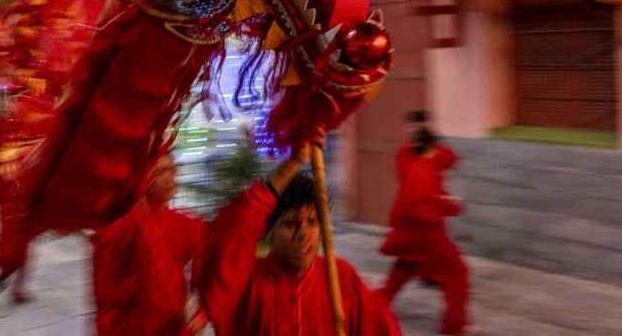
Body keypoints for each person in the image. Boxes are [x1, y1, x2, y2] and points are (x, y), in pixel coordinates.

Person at [196, 139, 401, 336]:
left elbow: (384, 326)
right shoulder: (249, 283)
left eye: (312, 222)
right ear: (269, 231)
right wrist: (293, 164)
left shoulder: (341, 279)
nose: (303, 234)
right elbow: (228, 241)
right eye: (290, 224)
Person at [91, 153, 207, 336]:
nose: (171, 177)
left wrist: (201, 315)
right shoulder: (120, 228)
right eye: (161, 171)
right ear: (142, 178)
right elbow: (105, 295)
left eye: (172, 169)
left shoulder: (185, 224)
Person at [380, 110, 469, 336]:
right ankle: (453, 327)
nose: (414, 130)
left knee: (401, 272)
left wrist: (437, 144)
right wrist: (448, 204)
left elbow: (450, 159)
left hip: (416, 231)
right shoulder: (411, 161)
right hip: (423, 231)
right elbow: (418, 203)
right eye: (412, 126)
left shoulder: (429, 158)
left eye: (419, 126)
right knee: (457, 273)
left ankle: (370, 307)